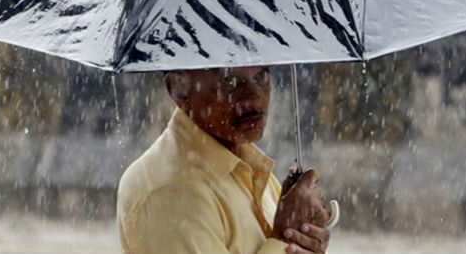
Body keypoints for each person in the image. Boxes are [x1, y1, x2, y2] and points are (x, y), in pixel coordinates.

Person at [117, 66, 331, 254]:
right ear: (178, 88)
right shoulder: (169, 191)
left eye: (260, 76)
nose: (253, 97)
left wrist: (302, 237)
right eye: (230, 80)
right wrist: (286, 240)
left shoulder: (247, 166)